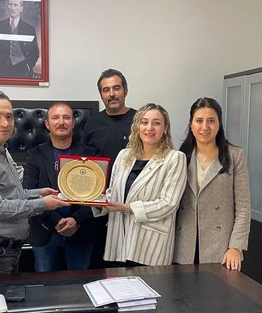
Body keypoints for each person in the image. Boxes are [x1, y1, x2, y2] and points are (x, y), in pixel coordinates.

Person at [0, 90, 69, 275]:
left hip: (4, 250)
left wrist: (37, 193)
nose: (5, 123)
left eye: (9, 116)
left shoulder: (0, 150)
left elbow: (9, 192)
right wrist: (42, 204)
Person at [94, 103, 187, 266]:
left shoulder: (175, 158)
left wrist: (128, 208)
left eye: (156, 123)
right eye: (144, 122)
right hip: (119, 241)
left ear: (165, 127)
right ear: (137, 126)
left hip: (150, 244)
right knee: (117, 282)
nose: (149, 128)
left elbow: (169, 204)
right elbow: (112, 192)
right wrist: (95, 201)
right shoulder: (124, 155)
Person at [173, 97, 251, 270]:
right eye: (199, 120)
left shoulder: (234, 155)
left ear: (219, 124)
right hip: (183, 246)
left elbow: (243, 207)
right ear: (191, 124)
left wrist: (236, 246)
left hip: (221, 248)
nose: (205, 127)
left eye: (211, 121)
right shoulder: (181, 156)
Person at [23, 103, 96, 272]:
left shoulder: (89, 153)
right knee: (46, 284)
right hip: (45, 231)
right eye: (55, 118)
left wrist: (76, 220)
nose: (61, 122)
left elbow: (97, 194)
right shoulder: (35, 155)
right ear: (47, 124)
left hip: (81, 230)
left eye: (66, 117)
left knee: (79, 283)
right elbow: (29, 193)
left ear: (73, 123)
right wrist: (56, 221)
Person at [82, 68, 137, 267]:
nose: (111, 94)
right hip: (100, 203)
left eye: (116, 88)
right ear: (101, 94)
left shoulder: (139, 120)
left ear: (125, 90)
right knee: (102, 262)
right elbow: (85, 160)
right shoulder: (92, 122)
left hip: (131, 202)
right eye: (106, 90)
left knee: (130, 263)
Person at [0, 0, 39, 78]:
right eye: (10, 4)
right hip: (2, 69)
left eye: (15, 5)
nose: (12, 8)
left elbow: (35, 52)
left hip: (23, 69)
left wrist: (28, 66)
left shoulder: (29, 29)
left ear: (21, 8)